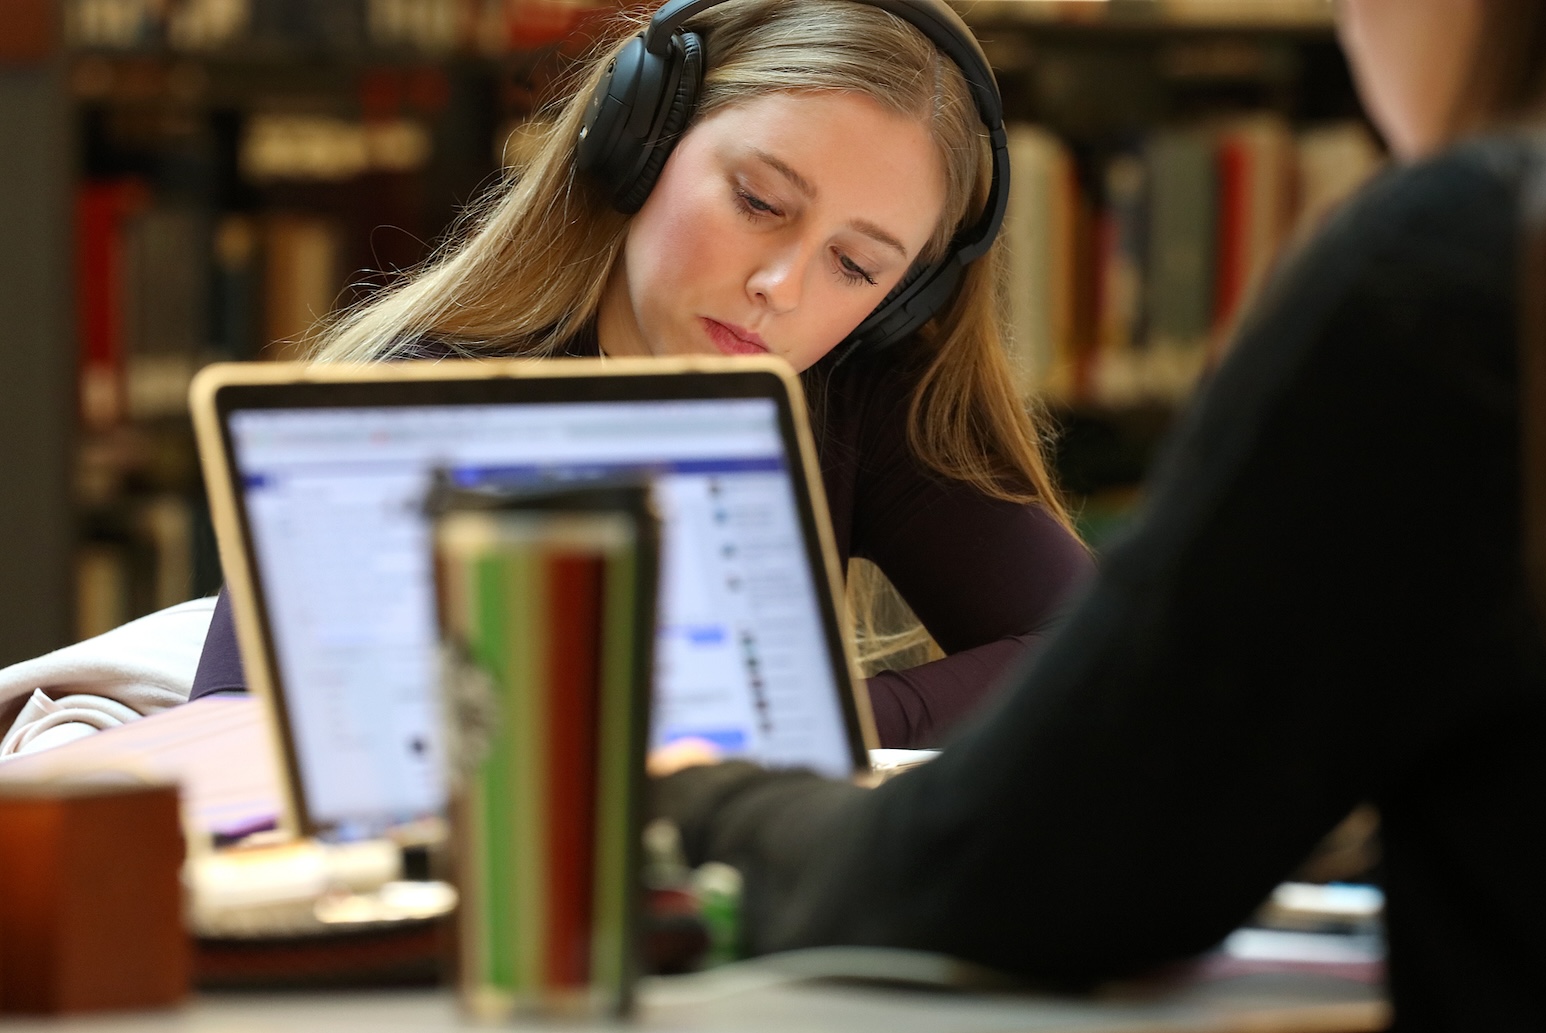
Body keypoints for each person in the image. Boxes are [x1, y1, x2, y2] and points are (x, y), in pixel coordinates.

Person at [651, 0, 1546, 1029]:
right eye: (756, 199)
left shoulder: (1479, 264)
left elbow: (1040, 864)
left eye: (859, 263)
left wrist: (711, 801)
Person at [187, 0, 1094, 749]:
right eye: (758, 202)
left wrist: (802, 728)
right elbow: (229, 754)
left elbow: (1102, 651)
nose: (780, 287)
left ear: (901, 300)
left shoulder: (860, 397)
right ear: (639, 142)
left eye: (856, 266)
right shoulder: (408, 400)